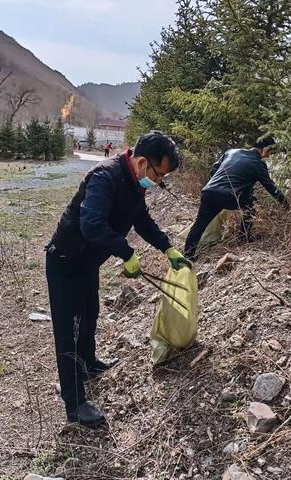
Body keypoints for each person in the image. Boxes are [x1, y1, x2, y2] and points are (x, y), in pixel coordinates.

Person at [45, 131, 192, 427]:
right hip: (66, 260)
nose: (158, 181)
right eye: (158, 174)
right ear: (141, 162)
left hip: (88, 262)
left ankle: (89, 364)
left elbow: (142, 220)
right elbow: (91, 225)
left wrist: (168, 248)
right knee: (69, 331)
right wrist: (126, 253)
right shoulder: (105, 176)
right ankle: (75, 405)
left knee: (89, 315)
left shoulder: (135, 183)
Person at [184, 137, 289, 261]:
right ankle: (243, 237)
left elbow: (213, 170)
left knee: (199, 225)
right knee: (252, 205)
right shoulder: (258, 163)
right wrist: (287, 206)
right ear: (265, 149)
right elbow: (271, 188)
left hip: (209, 192)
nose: (270, 156)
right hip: (230, 197)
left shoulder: (231, 152)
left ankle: (188, 256)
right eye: (270, 152)